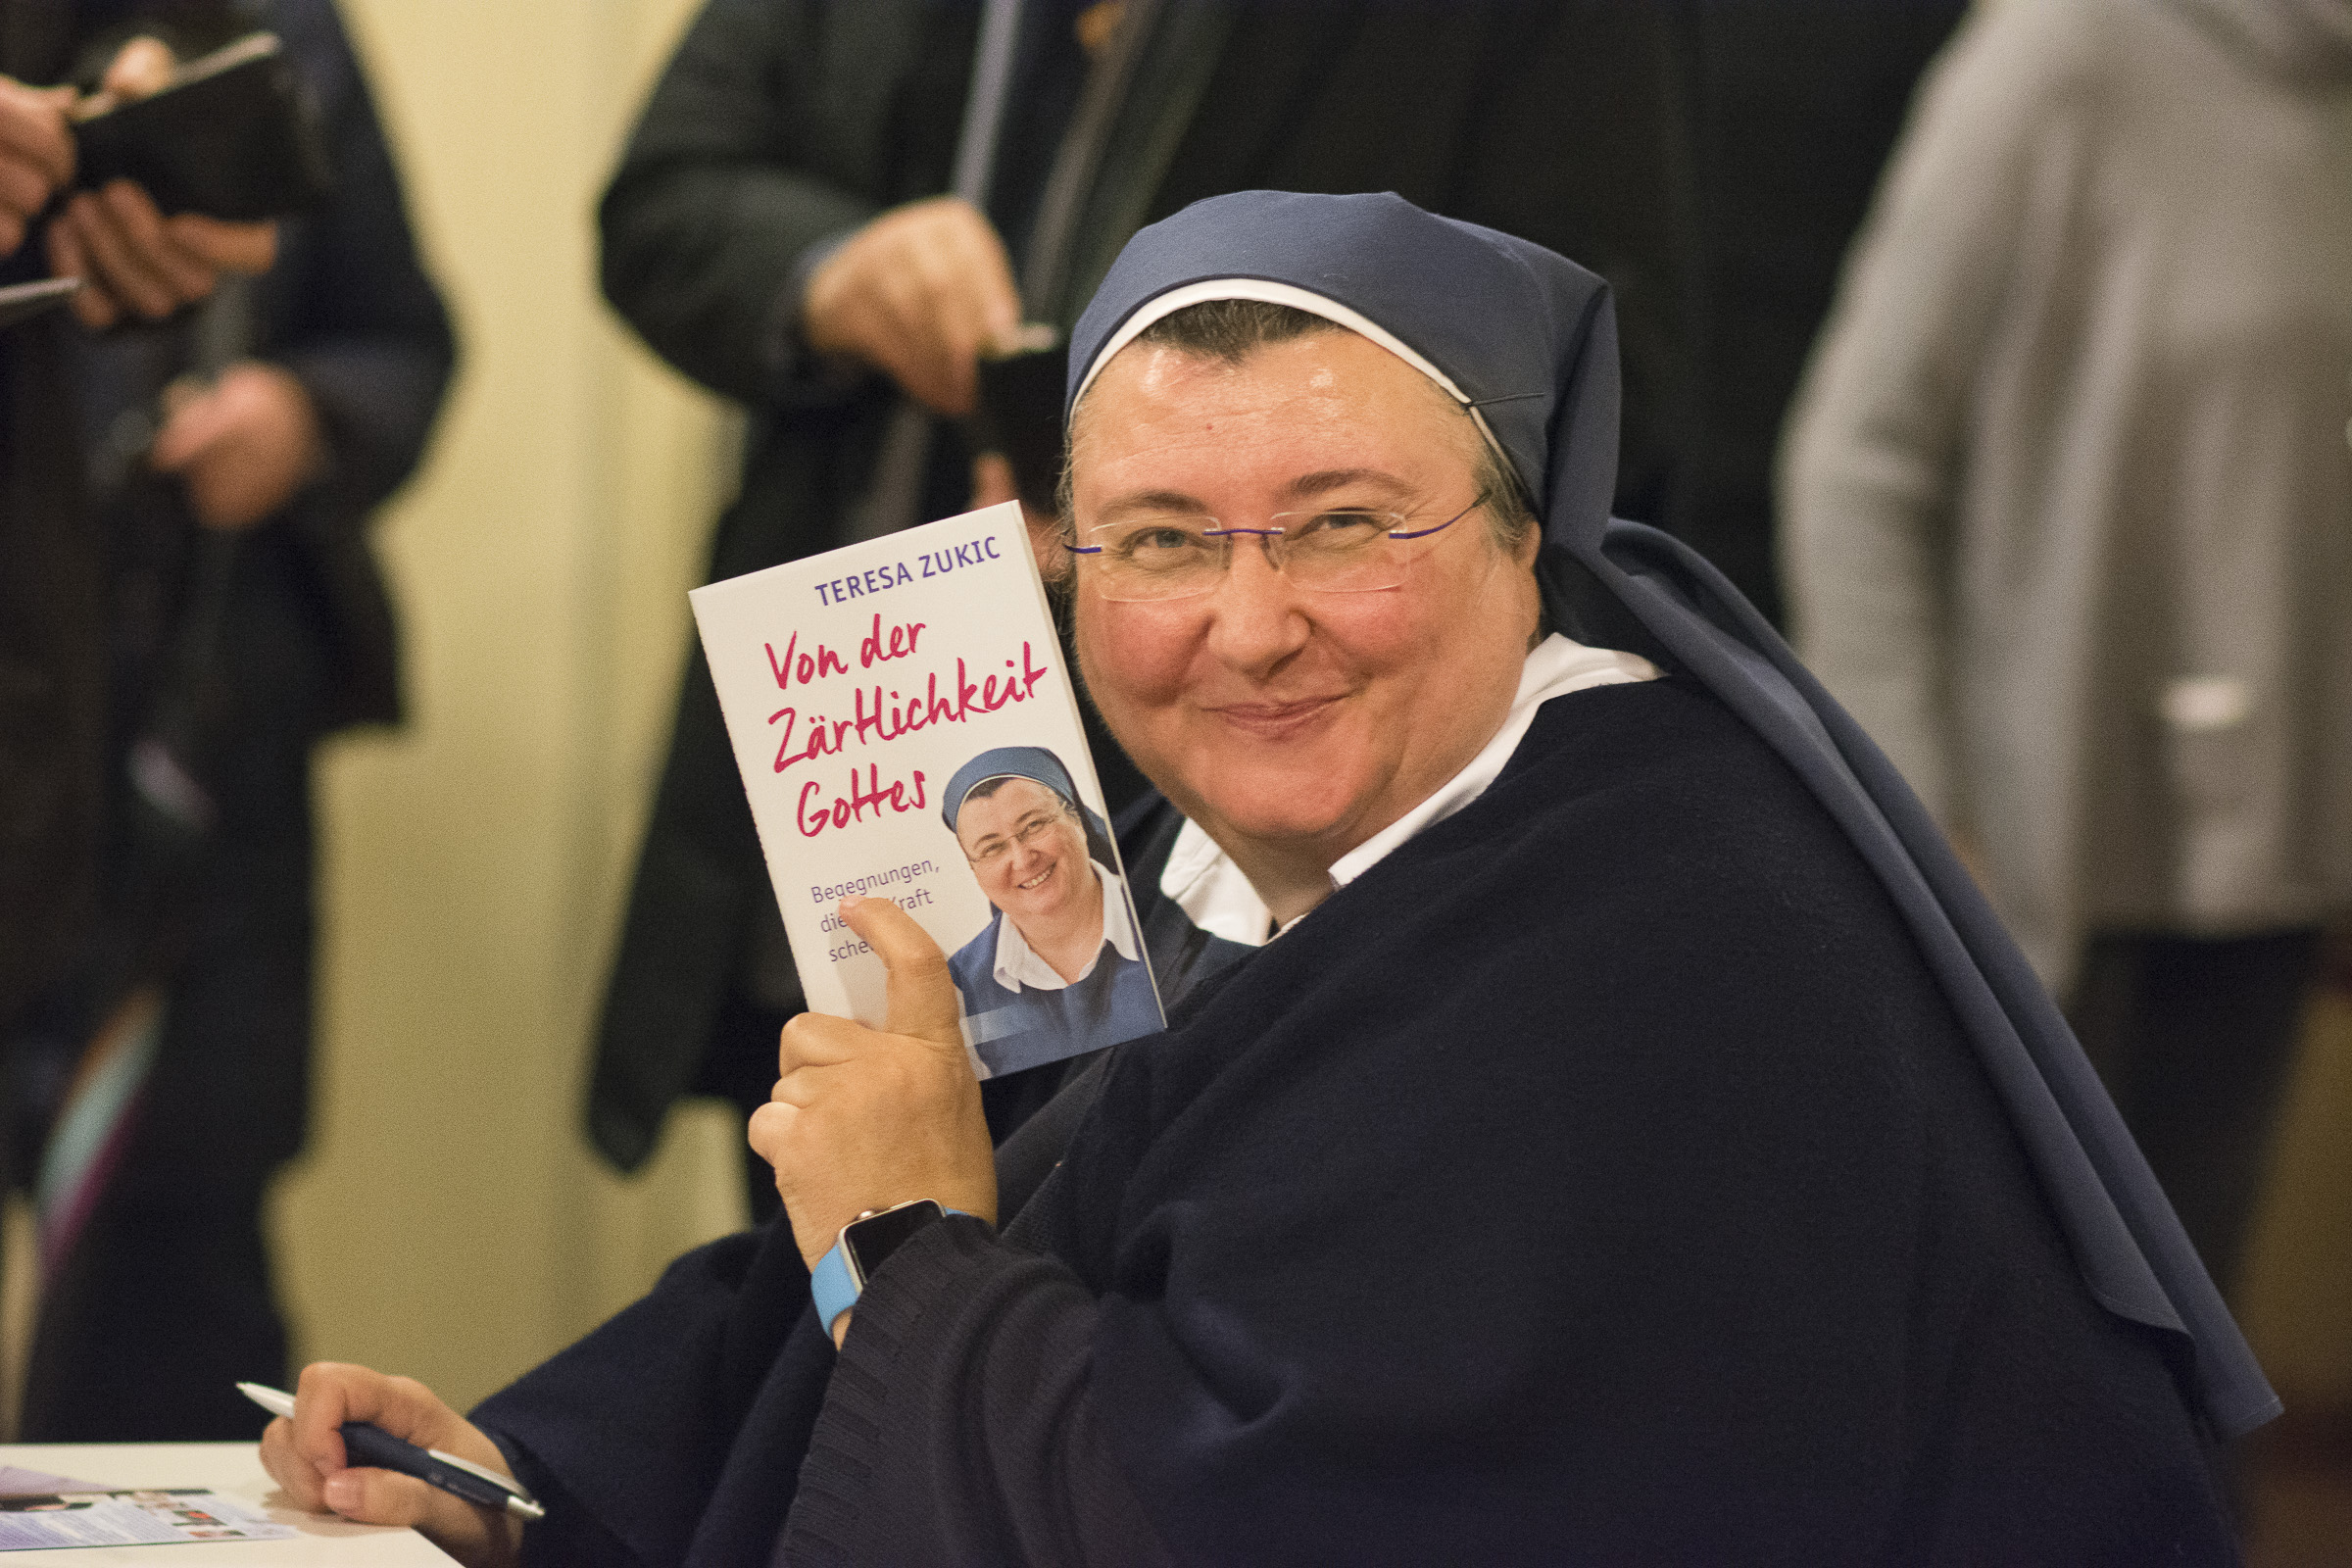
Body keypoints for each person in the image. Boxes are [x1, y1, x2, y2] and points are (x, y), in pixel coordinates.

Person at [263, 191, 2265, 1565]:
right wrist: (522, 1469)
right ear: (1061, 566)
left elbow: (1242, 1508)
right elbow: (1011, 1226)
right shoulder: (1193, 846)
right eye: (1160, 539)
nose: (1248, 627)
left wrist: (901, 1236)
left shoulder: (1660, 941)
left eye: (1343, 524)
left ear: (1524, 540)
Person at [584, 0, 1700, 1214]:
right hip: (861, 752)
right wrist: (822, 270)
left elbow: (1596, 361)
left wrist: (1187, 512)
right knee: (822, 1210)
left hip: (1259, 848)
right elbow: (662, 196)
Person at [1778, 0, 2352, 1298]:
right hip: (2040, 880)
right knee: (2008, 1350)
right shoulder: (2062, 58)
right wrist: (1913, 817)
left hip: (2273, 870)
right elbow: (1859, 460)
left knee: (2189, 1354)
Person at [0, 0, 453, 1439]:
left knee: (171, 1301)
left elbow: (406, 341)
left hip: (199, 768)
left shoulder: (285, 32)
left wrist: (306, 419)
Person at [941, 747, 1159, 1078]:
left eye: (1034, 825)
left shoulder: (1166, 908)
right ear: (974, 869)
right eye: (992, 848)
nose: (1022, 859)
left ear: (1078, 821)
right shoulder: (961, 984)